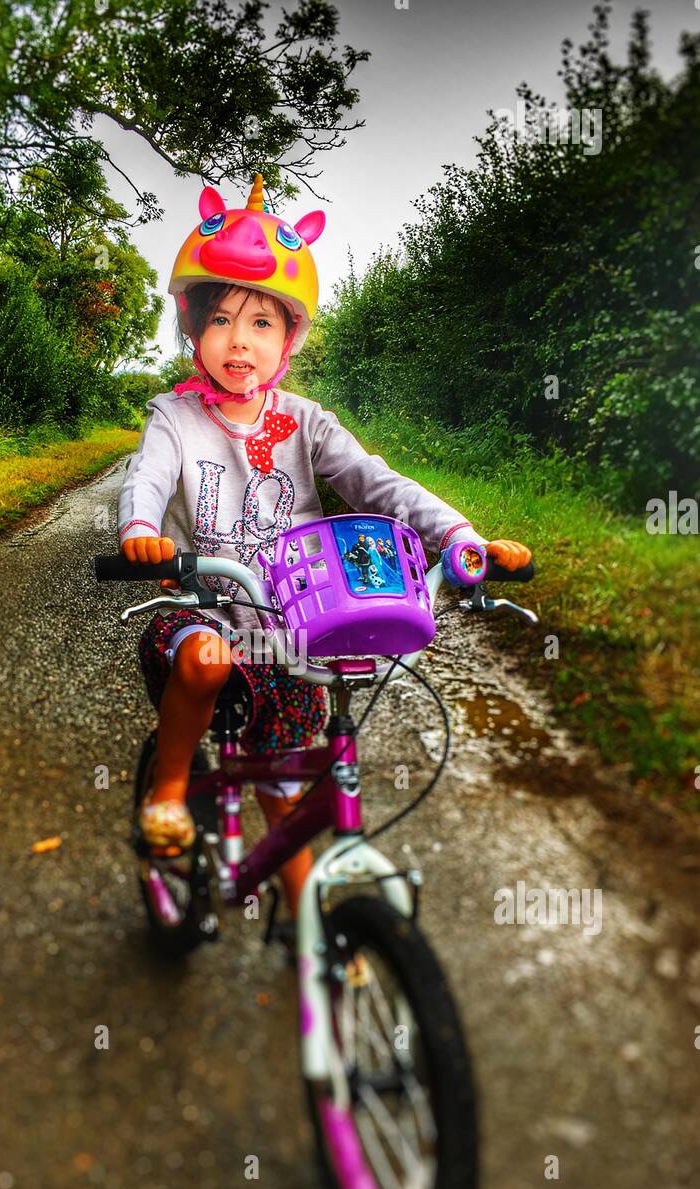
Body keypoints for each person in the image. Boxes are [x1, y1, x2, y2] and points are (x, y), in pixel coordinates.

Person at [117, 173, 531, 918]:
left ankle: (317, 936)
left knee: (285, 793)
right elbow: (146, 479)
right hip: (203, 611)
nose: (239, 340)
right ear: (194, 329)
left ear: (289, 338)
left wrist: (458, 536)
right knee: (204, 661)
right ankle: (172, 787)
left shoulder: (307, 422)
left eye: (262, 324)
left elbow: (377, 484)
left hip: (293, 634)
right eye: (221, 321)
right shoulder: (173, 417)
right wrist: (141, 532)